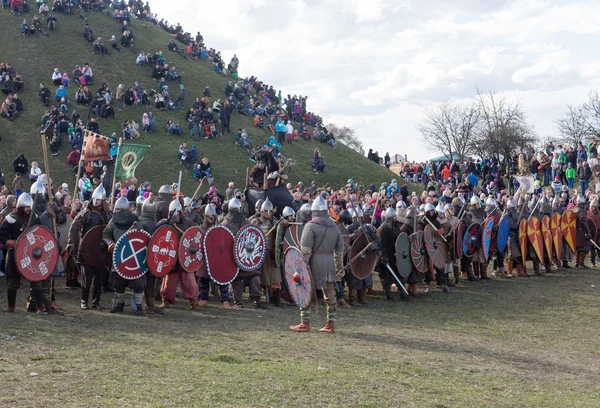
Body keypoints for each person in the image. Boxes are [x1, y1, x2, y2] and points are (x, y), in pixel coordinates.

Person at [290, 196, 345, 333]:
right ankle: (330, 323)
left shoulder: (310, 226)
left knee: (305, 292)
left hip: (314, 264)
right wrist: (339, 269)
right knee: (330, 294)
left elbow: (306, 251)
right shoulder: (335, 227)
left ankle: (305, 323)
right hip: (330, 263)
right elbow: (339, 252)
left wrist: (301, 269)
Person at [0, 194, 46, 313]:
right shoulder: (11, 218)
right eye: (26, 207)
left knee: (36, 280)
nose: (28, 209)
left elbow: (41, 233)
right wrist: (15, 243)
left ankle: (40, 308)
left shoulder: (35, 217)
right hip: (15, 254)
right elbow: (2, 236)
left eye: (30, 207)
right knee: (12, 282)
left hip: (32, 254)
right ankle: (11, 307)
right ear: (20, 207)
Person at [67, 185, 111, 309]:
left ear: (103, 200)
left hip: (101, 250)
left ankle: (96, 302)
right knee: (87, 278)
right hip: (86, 249)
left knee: (99, 278)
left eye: (99, 199)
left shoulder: (108, 214)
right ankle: (84, 300)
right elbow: (74, 227)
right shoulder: (86, 212)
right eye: (95, 199)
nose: (96, 202)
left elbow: (111, 229)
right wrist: (70, 242)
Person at [102, 196, 146, 315]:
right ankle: (120, 304)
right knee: (118, 282)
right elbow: (106, 234)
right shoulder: (112, 221)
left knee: (138, 283)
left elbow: (141, 239)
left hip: (134, 257)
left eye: (118, 210)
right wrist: (110, 243)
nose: (116, 212)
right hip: (119, 256)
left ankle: (138, 306)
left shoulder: (135, 222)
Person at [159, 199, 203, 311]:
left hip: (185, 257)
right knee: (169, 282)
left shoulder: (188, 223)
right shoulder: (165, 223)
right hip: (171, 257)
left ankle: (193, 302)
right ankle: (166, 300)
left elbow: (195, 237)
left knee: (190, 282)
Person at [251, 198, 281, 307]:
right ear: (262, 211)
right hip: (260, 253)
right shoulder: (255, 222)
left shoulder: (276, 222)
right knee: (259, 277)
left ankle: (277, 301)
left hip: (272, 254)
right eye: (266, 211)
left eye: (270, 211)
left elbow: (279, 237)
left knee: (275, 277)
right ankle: (257, 300)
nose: (268, 213)